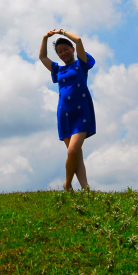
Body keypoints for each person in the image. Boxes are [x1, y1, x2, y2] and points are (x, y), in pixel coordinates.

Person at [39, 29, 96, 191]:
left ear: (72, 50)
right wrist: (45, 39)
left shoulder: (81, 64)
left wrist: (62, 32)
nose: (63, 53)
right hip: (64, 114)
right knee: (76, 155)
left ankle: (67, 183)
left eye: (65, 49)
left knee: (73, 151)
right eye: (59, 52)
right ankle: (85, 188)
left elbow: (78, 40)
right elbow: (42, 57)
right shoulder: (58, 70)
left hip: (81, 112)